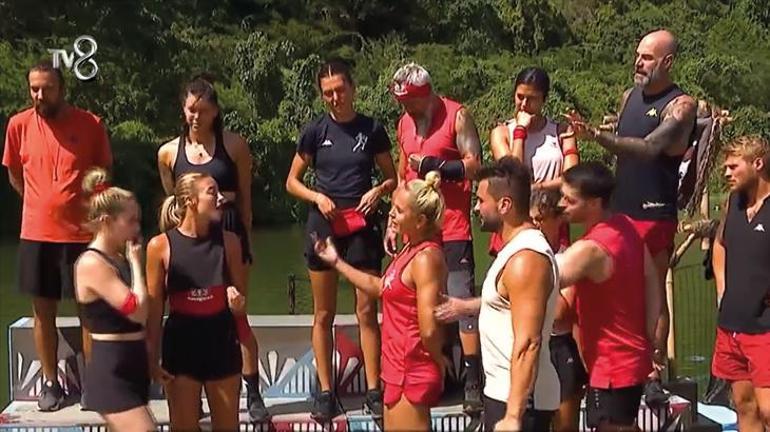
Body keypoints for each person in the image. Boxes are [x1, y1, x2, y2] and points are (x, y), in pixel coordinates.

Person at [565, 29, 697, 403]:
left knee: (652, 290)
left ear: (668, 62)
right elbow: (621, 147)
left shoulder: (681, 105)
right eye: (638, 55)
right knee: (601, 290)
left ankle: (653, 371)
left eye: (648, 58)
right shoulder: (628, 97)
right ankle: (597, 363)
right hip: (620, 209)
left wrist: (597, 136)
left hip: (654, 211)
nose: (638, 63)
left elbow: (650, 147)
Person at [285, 59, 397, 420]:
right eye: (328, 93)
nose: (335, 98)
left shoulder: (372, 129)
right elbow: (292, 182)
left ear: (352, 88)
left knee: (366, 311)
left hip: (362, 224)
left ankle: (374, 390)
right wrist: (316, 197)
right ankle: (325, 391)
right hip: (325, 224)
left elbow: (393, 178)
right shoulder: (315, 131)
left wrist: (378, 191)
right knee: (323, 313)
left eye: (340, 90)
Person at [2, 60, 112, 411]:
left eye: (47, 88)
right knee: (42, 311)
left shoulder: (90, 124)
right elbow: (14, 172)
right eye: (34, 89)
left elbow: (102, 174)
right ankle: (51, 383)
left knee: (89, 311)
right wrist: (39, 203)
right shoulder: (18, 125)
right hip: (36, 234)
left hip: (81, 235)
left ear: (61, 89)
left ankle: (94, 383)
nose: (39, 95)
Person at [157, 76, 268, 421]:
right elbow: (173, 201)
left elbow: (245, 198)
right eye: (191, 110)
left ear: (215, 111)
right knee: (190, 308)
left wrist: (247, 240)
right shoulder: (168, 152)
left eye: (203, 110)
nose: (196, 116)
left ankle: (251, 389)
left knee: (236, 313)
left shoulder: (234, 145)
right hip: (190, 239)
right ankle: (191, 386)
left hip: (229, 229)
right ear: (182, 109)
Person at [433, 157, 560, 430]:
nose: (476, 208)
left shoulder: (527, 259)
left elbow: (529, 342)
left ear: (504, 205)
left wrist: (513, 416)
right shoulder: (513, 251)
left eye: (481, 201)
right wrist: (464, 307)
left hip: (521, 402)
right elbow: (505, 303)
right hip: (503, 394)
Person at [313, 172, 446, 431]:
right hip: (396, 369)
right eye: (393, 207)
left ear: (420, 220)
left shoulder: (426, 258)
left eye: (399, 210)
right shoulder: (409, 250)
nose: (392, 215)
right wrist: (336, 261)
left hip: (412, 371)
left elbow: (429, 329)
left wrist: (438, 361)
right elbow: (380, 287)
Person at [389, 62, 483, 412]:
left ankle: (472, 380)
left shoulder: (457, 116)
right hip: (417, 232)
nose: (406, 109)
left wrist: (434, 165)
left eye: (410, 102)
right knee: (425, 306)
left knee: (459, 300)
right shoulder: (404, 124)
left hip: (453, 226)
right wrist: (393, 223)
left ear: (426, 94)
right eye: (401, 103)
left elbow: (474, 165)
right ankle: (441, 375)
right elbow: (403, 175)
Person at [556, 162, 663, 431]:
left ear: (594, 203)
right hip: (628, 357)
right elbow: (651, 278)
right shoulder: (626, 226)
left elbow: (542, 280)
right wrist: (648, 333)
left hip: (613, 364)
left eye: (569, 200)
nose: (561, 205)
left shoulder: (590, 249)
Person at [146, 173, 248, 431]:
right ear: (190, 200)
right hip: (181, 343)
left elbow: (241, 302)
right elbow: (154, 311)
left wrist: (237, 304)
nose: (221, 198)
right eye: (212, 192)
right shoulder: (160, 246)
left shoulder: (230, 242)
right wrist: (151, 358)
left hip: (221, 339)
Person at [74, 168, 154, 431]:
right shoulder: (92, 263)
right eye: (130, 221)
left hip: (132, 364)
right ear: (107, 221)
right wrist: (137, 265)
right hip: (111, 369)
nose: (137, 228)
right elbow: (137, 311)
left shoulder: (117, 258)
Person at [711, 136, 770, 429]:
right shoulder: (733, 203)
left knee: (768, 409)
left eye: (734, 167)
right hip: (731, 325)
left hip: (765, 326)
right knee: (744, 405)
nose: (726, 173)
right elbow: (719, 244)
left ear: (757, 164)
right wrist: (722, 289)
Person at [488, 67, 577, 255]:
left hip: (551, 218)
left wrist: (538, 187)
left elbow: (572, 177)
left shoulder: (561, 132)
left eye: (532, 99)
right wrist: (520, 131)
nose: (524, 104)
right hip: (516, 219)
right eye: (520, 97)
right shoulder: (502, 133)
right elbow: (513, 173)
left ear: (544, 99)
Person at [530, 189, 587, 431]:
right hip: (535, 346)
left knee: (565, 427)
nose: (535, 225)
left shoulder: (567, 258)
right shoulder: (526, 256)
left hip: (561, 347)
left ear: (558, 219)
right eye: (532, 219)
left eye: (541, 219)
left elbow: (561, 312)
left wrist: (534, 290)